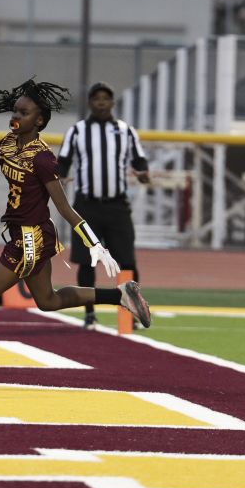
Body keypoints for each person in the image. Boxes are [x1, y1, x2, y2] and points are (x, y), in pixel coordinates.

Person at [0, 78, 152, 381]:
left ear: (39, 121)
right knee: (48, 301)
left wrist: (95, 245)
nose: (16, 116)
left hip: (31, 237)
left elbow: (64, 207)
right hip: (21, 233)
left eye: (24, 113)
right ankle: (121, 297)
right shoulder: (8, 144)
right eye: (15, 111)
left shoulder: (42, 158)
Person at [57, 81, 149, 328]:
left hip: (117, 206)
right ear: (89, 102)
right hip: (87, 206)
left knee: (127, 261)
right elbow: (63, 161)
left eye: (105, 98)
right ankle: (89, 313)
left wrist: (143, 173)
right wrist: (59, 177)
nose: (101, 102)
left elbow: (140, 160)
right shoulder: (77, 131)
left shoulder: (125, 130)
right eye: (96, 98)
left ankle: (133, 312)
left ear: (112, 103)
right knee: (88, 262)